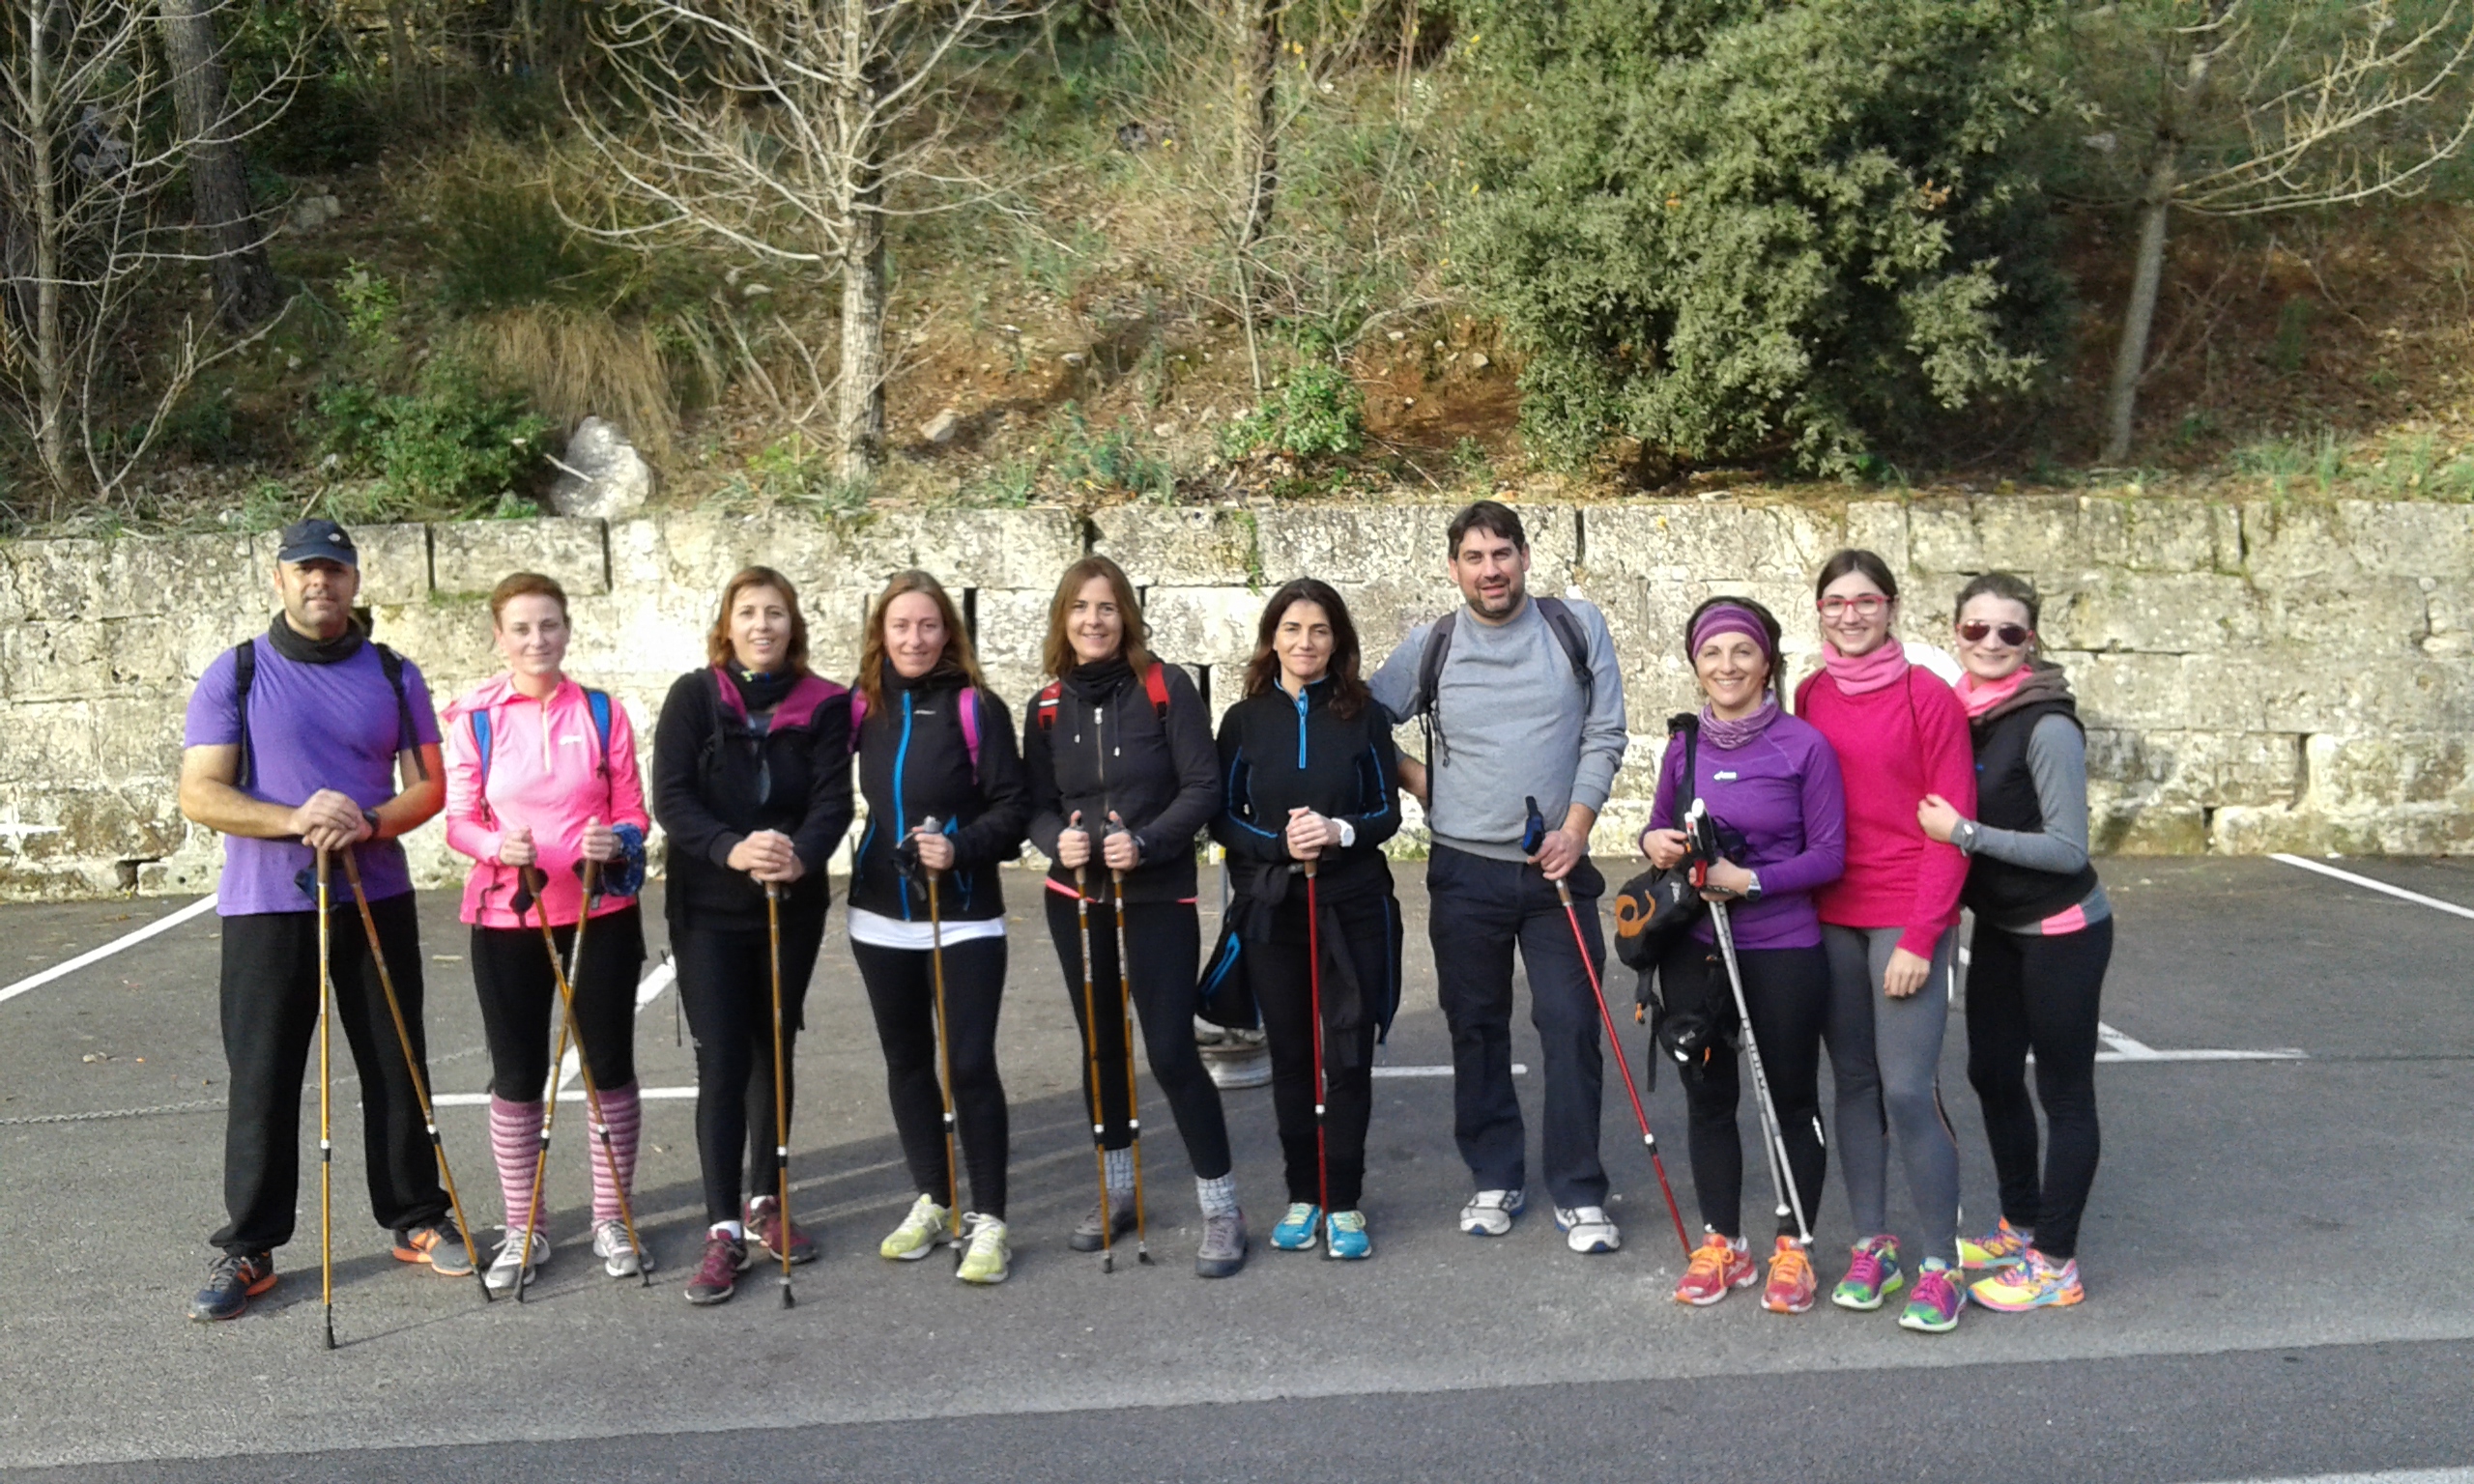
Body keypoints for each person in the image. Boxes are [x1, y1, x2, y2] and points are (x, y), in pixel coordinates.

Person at [176, 517, 460, 1322]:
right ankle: (250, 1246)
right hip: (267, 905)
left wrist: (364, 823)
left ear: (354, 580)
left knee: (396, 1061)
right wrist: (297, 818)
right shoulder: (236, 672)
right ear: (279, 579)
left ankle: (416, 1217)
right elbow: (200, 793)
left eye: (333, 570)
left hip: (374, 895)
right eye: (304, 569)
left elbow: (430, 788)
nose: (319, 582)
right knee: (263, 1077)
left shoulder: (395, 673)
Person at [1368, 500, 1629, 1253]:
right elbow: (1360, 719)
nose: (1491, 570)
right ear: (1454, 568)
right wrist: (1420, 781)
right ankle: (1494, 1175)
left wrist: (1577, 828)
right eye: (1475, 558)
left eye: (1502, 554)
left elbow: (1604, 732)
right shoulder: (1433, 644)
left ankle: (1579, 1189)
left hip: (1557, 871)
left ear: (1524, 557)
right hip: (1464, 872)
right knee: (1475, 1026)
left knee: (1572, 1025)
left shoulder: (1576, 627)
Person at [1021, 556, 1244, 1277]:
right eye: (1081, 607)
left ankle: (1222, 1206)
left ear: (1127, 616)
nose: (1094, 620)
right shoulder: (1045, 706)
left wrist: (1144, 843)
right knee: (1102, 1049)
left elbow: (1203, 787)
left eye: (1107, 607)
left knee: (1171, 1051)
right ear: (1064, 618)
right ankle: (1117, 1192)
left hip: (1156, 895)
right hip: (1077, 897)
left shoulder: (1165, 687)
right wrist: (1057, 842)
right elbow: (1034, 805)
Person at [441, 572, 654, 1295]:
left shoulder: (601, 711)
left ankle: (612, 1217)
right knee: (517, 1073)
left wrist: (617, 839)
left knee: (608, 1068)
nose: (537, 640)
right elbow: (459, 820)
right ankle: (523, 1225)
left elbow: (633, 810)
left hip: (599, 913)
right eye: (522, 628)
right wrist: (494, 846)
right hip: (509, 915)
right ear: (499, 637)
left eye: (550, 625)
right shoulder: (474, 720)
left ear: (567, 629)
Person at [651, 566, 853, 1306]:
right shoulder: (693, 697)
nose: (762, 625)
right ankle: (722, 1227)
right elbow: (672, 797)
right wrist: (732, 849)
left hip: (789, 903)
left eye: (775, 613)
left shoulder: (826, 703)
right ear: (727, 625)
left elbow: (834, 801)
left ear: (792, 625)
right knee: (722, 1058)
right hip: (708, 907)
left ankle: (767, 1199)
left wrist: (800, 855)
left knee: (774, 1045)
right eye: (748, 613)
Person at [1916, 573, 2113, 1314]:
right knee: (1992, 1074)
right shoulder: (1962, 712)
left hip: (2064, 930)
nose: (1991, 642)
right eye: (1976, 628)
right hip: (2001, 926)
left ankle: (2055, 1262)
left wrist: (1965, 835)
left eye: (2010, 631)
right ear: (1955, 633)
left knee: (2064, 1092)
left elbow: (2067, 849)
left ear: (2030, 641)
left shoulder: (2047, 726)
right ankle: (2021, 1223)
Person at [1642, 597, 1845, 1312]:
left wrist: (1750, 880)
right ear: (1696, 664)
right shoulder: (1685, 745)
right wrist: (1654, 843)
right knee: (1708, 1096)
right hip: (1696, 947)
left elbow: (1830, 855)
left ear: (1767, 663)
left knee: (1791, 1097)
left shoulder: (1803, 747)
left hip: (1782, 945)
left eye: (1742, 652)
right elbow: (1656, 826)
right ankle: (1723, 1242)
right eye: (1712, 653)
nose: (1726, 666)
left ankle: (1796, 1246)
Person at [1793, 548, 1977, 1333]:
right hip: (1830, 910)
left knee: (1907, 1088)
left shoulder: (1928, 696)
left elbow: (1952, 826)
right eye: (1836, 602)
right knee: (1854, 1085)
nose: (1851, 615)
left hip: (1907, 911)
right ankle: (1874, 1246)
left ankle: (1943, 1263)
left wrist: (1922, 937)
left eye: (1866, 600)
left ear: (1891, 608)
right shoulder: (1808, 694)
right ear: (1820, 612)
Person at [1209, 579, 1403, 1261]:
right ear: (1273, 638)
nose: (1305, 642)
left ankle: (1344, 1200)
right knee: (1292, 1056)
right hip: (1276, 910)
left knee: (1347, 1054)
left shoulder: (1363, 716)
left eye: (1320, 630)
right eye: (1292, 629)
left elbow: (1386, 811)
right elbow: (1222, 816)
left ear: (1337, 640)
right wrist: (1280, 844)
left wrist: (1337, 831)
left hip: (1353, 906)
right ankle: (1304, 1194)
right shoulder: (1243, 720)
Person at [846, 570, 1030, 1285]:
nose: (915, 639)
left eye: (928, 625)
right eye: (901, 626)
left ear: (947, 632)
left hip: (964, 915)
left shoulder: (976, 707)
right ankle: (935, 1197)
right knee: (907, 1062)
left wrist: (959, 846)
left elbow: (1013, 811)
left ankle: (991, 1219)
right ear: (881, 634)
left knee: (970, 1064)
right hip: (878, 913)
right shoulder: (861, 706)